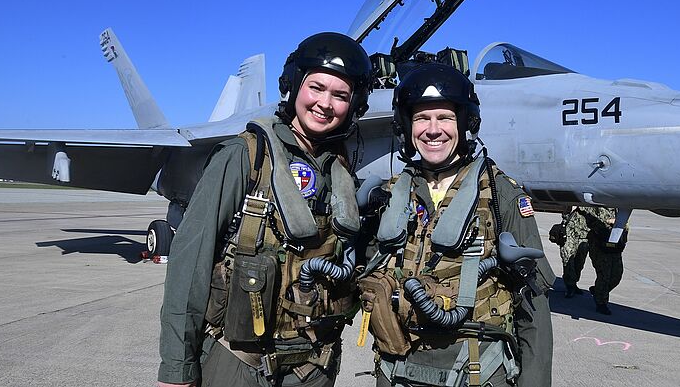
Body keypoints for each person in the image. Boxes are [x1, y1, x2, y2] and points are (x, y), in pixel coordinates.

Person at [157, 32, 373, 387]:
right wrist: (176, 368)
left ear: (354, 105)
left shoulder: (339, 171)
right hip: (240, 362)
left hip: (314, 366)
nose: (325, 103)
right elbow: (190, 260)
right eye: (316, 88)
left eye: (340, 95)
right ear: (293, 86)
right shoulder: (246, 157)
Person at [357, 63, 554, 387]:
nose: (433, 129)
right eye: (421, 118)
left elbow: (534, 304)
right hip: (397, 373)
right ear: (406, 126)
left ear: (465, 123)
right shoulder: (391, 196)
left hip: (476, 371)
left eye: (445, 117)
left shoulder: (500, 194)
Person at [584, 207, 626, 315]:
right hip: (600, 246)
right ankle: (601, 303)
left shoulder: (618, 207)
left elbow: (625, 224)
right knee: (604, 275)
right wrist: (608, 222)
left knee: (617, 275)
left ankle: (598, 290)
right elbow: (590, 221)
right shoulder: (596, 203)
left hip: (615, 247)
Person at [559, 207, 591, 298]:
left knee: (579, 262)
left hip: (584, 234)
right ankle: (570, 286)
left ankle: (574, 282)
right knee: (568, 258)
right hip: (569, 233)